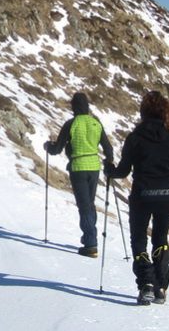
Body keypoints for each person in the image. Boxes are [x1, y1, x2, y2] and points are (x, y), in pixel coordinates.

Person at [104, 90, 169, 306]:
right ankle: (161, 286)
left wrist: (109, 170)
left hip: (142, 194)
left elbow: (123, 171)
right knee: (160, 239)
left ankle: (146, 285)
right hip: (167, 196)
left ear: (144, 112)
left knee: (139, 239)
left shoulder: (135, 138)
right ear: (166, 113)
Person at [44, 92, 113, 258]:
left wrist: (48, 146)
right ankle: (90, 236)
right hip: (94, 166)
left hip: (78, 167)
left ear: (73, 106)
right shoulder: (96, 123)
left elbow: (57, 149)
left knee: (84, 205)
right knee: (89, 203)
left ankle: (90, 244)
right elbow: (108, 148)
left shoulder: (71, 124)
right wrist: (108, 163)